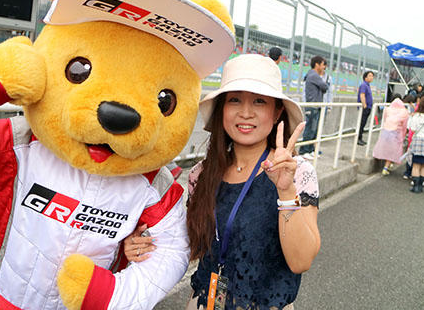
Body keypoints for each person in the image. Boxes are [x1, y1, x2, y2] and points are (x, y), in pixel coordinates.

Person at [124, 54, 320, 310]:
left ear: (276, 112)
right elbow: (192, 246)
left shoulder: (299, 172)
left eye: (259, 102)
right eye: (234, 100)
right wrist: (141, 242)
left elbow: (301, 261)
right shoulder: (201, 173)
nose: (246, 112)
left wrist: (285, 190)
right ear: (221, 110)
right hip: (204, 302)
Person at [299, 55, 328, 160]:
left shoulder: (311, 74)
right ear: (317, 64)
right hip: (312, 106)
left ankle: (310, 149)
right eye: (323, 64)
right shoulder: (314, 75)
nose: (324, 67)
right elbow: (325, 87)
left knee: (314, 129)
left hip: (315, 106)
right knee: (310, 129)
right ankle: (304, 151)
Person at [372, 95, 409, 175]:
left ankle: (387, 165)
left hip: (386, 131)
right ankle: (386, 167)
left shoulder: (388, 109)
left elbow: (385, 119)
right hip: (396, 132)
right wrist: (404, 134)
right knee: (393, 150)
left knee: (385, 148)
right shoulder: (404, 112)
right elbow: (404, 125)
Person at [357, 70, 374, 146]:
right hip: (365, 108)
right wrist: (365, 106)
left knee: (363, 124)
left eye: (372, 76)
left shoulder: (367, 85)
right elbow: (362, 95)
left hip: (368, 107)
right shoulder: (364, 85)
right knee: (361, 123)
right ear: (365, 77)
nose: (372, 77)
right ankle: (358, 138)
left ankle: (360, 138)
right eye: (370, 76)